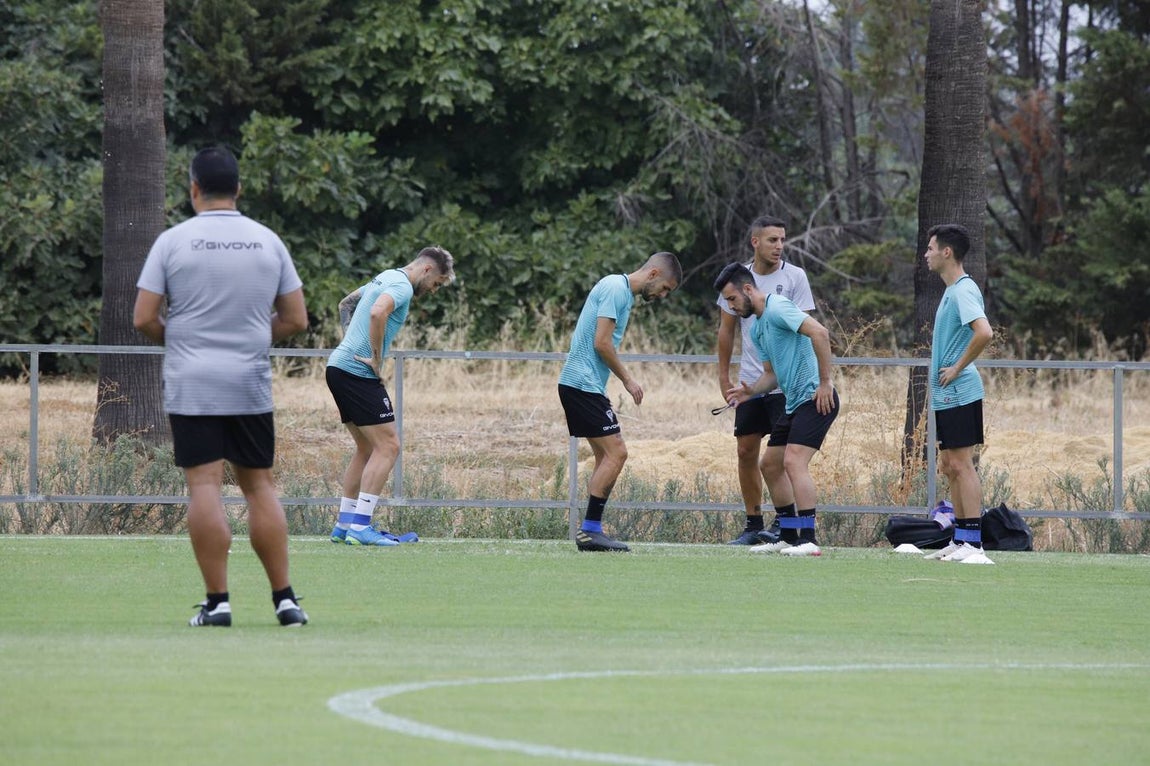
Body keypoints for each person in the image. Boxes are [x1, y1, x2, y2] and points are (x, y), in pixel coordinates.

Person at [133, 146, 310, 627]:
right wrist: (252, 337)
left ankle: (218, 603)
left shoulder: (173, 241)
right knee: (259, 486)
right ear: (239, 190)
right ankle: (286, 600)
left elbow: (144, 317)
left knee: (204, 486)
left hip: (193, 382)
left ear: (193, 189)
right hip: (248, 380)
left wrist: (183, 340)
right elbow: (296, 318)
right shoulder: (267, 241)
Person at [326, 247, 456, 546]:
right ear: (426, 270)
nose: (434, 290)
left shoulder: (384, 276)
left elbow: (345, 304)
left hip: (337, 366)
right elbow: (376, 311)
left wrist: (349, 341)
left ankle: (345, 525)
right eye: (436, 283)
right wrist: (372, 356)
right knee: (389, 446)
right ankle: (360, 527)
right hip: (357, 371)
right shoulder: (401, 287)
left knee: (366, 448)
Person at [558, 252, 682, 552]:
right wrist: (628, 380)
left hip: (583, 384)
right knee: (618, 453)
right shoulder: (616, 288)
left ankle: (592, 529)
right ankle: (589, 530)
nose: (663, 295)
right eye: (665, 288)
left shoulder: (623, 294)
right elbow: (602, 342)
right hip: (582, 384)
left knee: (605, 458)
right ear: (653, 274)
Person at [714, 262, 838, 557]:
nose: (730, 307)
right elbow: (771, 374)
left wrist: (825, 383)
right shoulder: (757, 328)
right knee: (769, 464)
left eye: (732, 299)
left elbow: (819, 333)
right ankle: (790, 534)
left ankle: (809, 540)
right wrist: (750, 392)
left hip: (816, 398)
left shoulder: (779, 307)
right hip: (794, 403)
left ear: (747, 289)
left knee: (794, 462)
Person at [716, 215, 816, 545]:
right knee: (746, 452)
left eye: (782, 240)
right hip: (751, 381)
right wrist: (723, 375)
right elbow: (726, 331)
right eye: (772, 240)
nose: (779, 246)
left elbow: (807, 330)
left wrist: (813, 380)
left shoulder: (794, 277)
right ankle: (753, 524)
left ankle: (784, 524)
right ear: (755, 242)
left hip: (783, 384)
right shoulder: (737, 282)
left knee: (781, 458)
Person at [920, 224, 995, 565]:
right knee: (950, 465)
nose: (927, 253)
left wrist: (957, 367)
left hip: (960, 392)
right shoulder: (951, 290)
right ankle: (961, 538)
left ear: (946, 252)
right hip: (947, 396)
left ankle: (975, 544)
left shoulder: (963, 290)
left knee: (962, 465)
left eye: (931, 248)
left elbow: (984, 332)